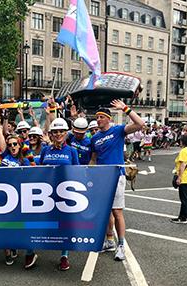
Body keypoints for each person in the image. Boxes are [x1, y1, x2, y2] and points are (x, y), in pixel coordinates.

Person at [90, 101, 144, 261]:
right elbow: (93, 159)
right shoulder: (94, 138)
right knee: (105, 211)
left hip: (116, 176)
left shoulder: (118, 131)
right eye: (97, 117)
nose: (98, 120)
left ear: (108, 119)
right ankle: (109, 241)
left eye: (101, 117)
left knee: (117, 211)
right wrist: (88, 172)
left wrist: (126, 109)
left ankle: (121, 245)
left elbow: (140, 124)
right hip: (101, 178)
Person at [0, 113, 37, 269]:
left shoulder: (25, 161)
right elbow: (1, 134)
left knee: (23, 226)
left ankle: (30, 252)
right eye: (10, 144)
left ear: (20, 145)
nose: (12, 147)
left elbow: (35, 176)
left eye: (15, 144)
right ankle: (8, 251)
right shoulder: (4, 155)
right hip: (3, 198)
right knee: (3, 226)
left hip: (21, 199)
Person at [39, 118, 79, 271]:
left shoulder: (72, 151)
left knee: (64, 226)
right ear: (51, 134)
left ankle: (64, 256)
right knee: (39, 223)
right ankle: (31, 251)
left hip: (64, 195)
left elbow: (77, 173)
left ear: (66, 133)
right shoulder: (45, 150)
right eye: (55, 132)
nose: (58, 134)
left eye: (61, 131)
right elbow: (40, 170)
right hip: (45, 195)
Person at [171, 135, 187, 224]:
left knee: (184, 199)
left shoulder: (184, 151)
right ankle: (185, 216)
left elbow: (183, 165)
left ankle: (183, 218)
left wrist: (179, 177)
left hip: (185, 177)